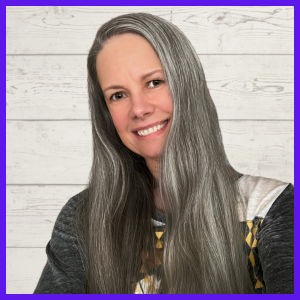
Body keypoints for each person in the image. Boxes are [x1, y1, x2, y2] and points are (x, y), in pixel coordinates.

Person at [33, 13, 294, 294]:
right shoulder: (83, 218)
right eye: (118, 95)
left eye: (154, 82)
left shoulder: (273, 209)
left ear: (188, 85)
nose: (139, 109)